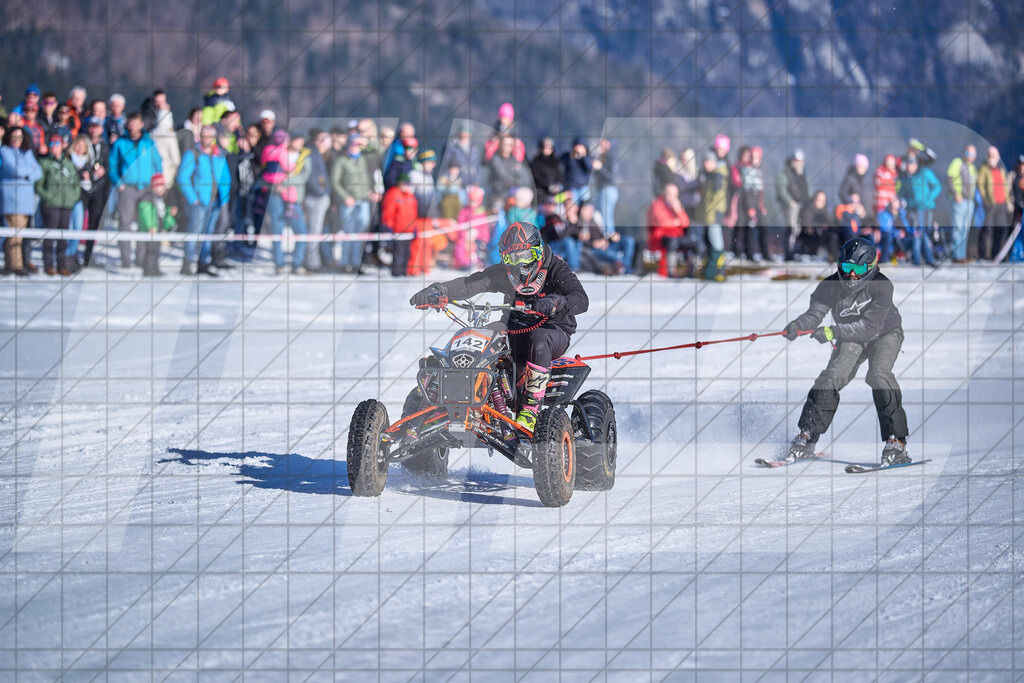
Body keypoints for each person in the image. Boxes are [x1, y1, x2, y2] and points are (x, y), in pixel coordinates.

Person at [409, 221, 589, 432]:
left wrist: (555, 302)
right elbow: (470, 284)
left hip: (552, 331)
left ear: (538, 251)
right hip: (512, 328)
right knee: (476, 335)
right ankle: (456, 397)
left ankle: (530, 409)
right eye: (512, 258)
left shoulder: (557, 269)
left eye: (525, 256)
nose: (520, 264)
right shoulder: (505, 272)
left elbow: (581, 299)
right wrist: (438, 290)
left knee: (538, 339)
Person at [782, 237, 910, 466]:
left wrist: (833, 332)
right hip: (851, 337)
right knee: (832, 376)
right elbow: (814, 314)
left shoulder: (882, 286)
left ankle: (896, 441)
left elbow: (870, 327)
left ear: (870, 267)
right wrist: (797, 326)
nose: (852, 275)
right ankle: (807, 436)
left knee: (878, 374)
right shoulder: (830, 286)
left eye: (858, 268)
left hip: (885, 334)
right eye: (848, 267)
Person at [109, 112, 162, 268]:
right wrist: (119, 184)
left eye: (136, 123)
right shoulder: (120, 143)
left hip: (147, 188)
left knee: (145, 224)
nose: (132, 126)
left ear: (141, 125)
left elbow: (158, 165)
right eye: (130, 123)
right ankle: (125, 259)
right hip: (128, 188)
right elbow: (112, 166)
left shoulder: (149, 143)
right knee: (125, 223)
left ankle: (141, 258)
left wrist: (159, 183)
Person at [176, 125, 230, 276]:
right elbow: (182, 177)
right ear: (200, 137)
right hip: (200, 201)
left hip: (217, 201)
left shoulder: (219, 155)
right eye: (204, 136)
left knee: (209, 234)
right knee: (194, 233)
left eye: (210, 136)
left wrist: (224, 198)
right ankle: (187, 264)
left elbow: (225, 177)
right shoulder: (193, 154)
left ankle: (203, 263)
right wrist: (193, 198)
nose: (207, 139)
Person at [35, 134, 81, 276]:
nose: (54, 146)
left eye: (57, 143)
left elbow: (76, 184)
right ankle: (48, 264)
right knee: (50, 236)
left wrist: (72, 198)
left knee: (63, 237)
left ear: (63, 146)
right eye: (52, 143)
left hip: (66, 205)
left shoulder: (68, 164)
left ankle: (62, 264)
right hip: (50, 205)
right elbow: (38, 185)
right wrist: (47, 197)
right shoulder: (45, 163)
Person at [0, 127, 43, 275]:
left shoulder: (27, 152)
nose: (16, 141)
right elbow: (17, 170)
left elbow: (38, 171)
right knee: (14, 234)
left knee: (20, 234)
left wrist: (27, 174)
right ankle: (15, 266)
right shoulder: (4, 151)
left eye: (20, 137)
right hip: (11, 200)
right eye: (14, 137)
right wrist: (28, 171)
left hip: (26, 200)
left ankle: (14, 263)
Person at [331, 132, 375, 274]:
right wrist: (345, 197)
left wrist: (369, 191)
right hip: (349, 202)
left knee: (360, 233)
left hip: (363, 201)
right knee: (349, 233)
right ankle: (345, 263)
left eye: (360, 144)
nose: (357, 147)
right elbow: (335, 182)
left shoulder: (362, 159)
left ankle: (356, 263)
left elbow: (376, 150)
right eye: (355, 143)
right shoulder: (341, 160)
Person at [79, 116, 111, 267]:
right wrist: (83, 172)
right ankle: (70, 255)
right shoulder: (81, 143)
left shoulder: (105, 147)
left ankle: (88, 256)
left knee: (94, 223)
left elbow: (112, 166)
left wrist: (104, 171)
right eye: (91, 126)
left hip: (99, 190)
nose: (94, 129)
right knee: (78, 222)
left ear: (101, 129)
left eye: (97, 126)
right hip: (82, 189)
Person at [898, 156, 940, 267]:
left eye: (912, 164)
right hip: (912, 210)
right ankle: (918, 259)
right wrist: (904, 201)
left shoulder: (925, 172)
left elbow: (937, 186)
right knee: (916, 233)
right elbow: (902, 192)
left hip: (925, 209)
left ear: (916, 165)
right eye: (908, 164)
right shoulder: (906, 177)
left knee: (925, 232)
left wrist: (928, 200)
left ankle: (928, 258)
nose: (909, 166)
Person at [646, 182, 692, 278]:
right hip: (660, 237)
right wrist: (676, 222)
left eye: (675, 195)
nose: (672, 197)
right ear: (664, 193)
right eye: (670, 194)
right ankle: (671, 272)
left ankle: (690, 273)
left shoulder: (676, 207)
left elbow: (686, 223)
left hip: (676, 236)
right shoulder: (656, 205)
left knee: (696, 244)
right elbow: (662, 222)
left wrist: (678, 211)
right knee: (672, 242)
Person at [136, 173, 177, 276]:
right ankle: (148, 270)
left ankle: (155, 268)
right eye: (160, 186)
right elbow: (145, 213)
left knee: (156, 249)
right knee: (149, 250)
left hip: (157, 229)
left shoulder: (160, 198)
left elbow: (161, 213)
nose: (162, 189)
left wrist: (170, 212)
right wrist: (150, 227)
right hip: (150, 230)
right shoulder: (147, 197)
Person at [976, 146, 1013, 261]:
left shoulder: (1001, 170)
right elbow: (980, 185)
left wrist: (1008, 202)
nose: (993, 158)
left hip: (1001, 204)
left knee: (1000, 230)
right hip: (991, 204)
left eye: (995, 156)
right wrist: (986, 200)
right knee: (987, 230)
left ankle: (995, 254)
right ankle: (982, 255)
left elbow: (1005, 187)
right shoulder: (984, 169)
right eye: (991, 155)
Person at [695, 150, 728, 281]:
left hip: (714, 215)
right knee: (711, 242)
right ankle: (712, 270)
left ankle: (715, 272)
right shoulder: (710, 175)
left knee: (717, 243)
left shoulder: (717, 176)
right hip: (709, 215)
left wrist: (709, 211)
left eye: (708, 161)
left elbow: (717, 197)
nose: (705, 164)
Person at [303, 129, 332, 272]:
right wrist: (321, 192)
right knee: (314, 231)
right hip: (315, 198)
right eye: (322, 139)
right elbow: (312, 176)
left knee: (318, 230)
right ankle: (312, 263)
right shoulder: (311, 152)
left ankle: (319, 260)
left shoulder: (317, 153)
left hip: (320, 196)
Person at [579, 200, 634, 275]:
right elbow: (580, 242)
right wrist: (593, 243)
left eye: (592, 209)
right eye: (589, 209)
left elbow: (602, 234)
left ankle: (626, 268)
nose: (591, 212)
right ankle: (626, 269)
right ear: (583, 210)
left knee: (628, 240)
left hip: (606, 244)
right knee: (616, 257)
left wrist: (611, 237)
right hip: (595, 250)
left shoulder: (594, 220)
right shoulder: (579, 223)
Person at [381, 174, 418, 276]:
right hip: (398, 230)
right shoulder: (393, 194)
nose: (406, 186)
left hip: (409, 230)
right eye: (404, 183)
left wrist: (415, 227)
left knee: (407, 253)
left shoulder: (410, 196)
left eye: (407, 184)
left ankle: (404, 271)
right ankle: (396, 273)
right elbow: (388, 211)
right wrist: (388, 225)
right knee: (398, 253)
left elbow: (414, 212)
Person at [945, 145, 977, 263]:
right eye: (968, 153)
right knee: (957, 229)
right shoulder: (957, 162)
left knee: (965, 230)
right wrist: (955, 194)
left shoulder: (972, 167)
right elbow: (949, 179)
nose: (970, 156)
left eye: (973, 154)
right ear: (964, 153)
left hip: (970, 202)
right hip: (960, 200)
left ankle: (962, 255)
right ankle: (956, 256)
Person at [736, 145, 768, 261]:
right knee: (749, 230)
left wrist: (762, 205)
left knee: (762, 229)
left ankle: (764, 253)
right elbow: (747, 190)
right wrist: (750, 207)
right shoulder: (747, 171)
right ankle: (749, 254)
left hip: (757, 205)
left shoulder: (758, 172)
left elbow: (760, 192)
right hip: (750, 205)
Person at [777, 149, 809, 261]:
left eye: (800, 161)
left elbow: (806, 189)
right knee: (790, 229)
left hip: (802, 206)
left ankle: (796, 251)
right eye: (796, 160)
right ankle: (788, 252)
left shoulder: (802, 174)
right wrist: (790, 201)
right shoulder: (785, 172)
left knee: (799, 230)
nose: (798, 163)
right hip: (790, 206)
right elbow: (781, 188)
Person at [592, 138, 618, 235]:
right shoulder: (602, 156)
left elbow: (611, 176)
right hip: (601, 189)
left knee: (606, 216)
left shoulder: (611, 156)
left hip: (608, 190)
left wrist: (600, 168)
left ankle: (609, 236)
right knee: (601, 216)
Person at [560, 137, 593, 203]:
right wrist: (572, 156)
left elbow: (589, 169)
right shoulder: (568, 157)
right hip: (571, 188)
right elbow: (560, 164)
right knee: (571, 208)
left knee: (584, 209)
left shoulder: (588, 157)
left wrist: (583, 157)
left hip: (584, 188)